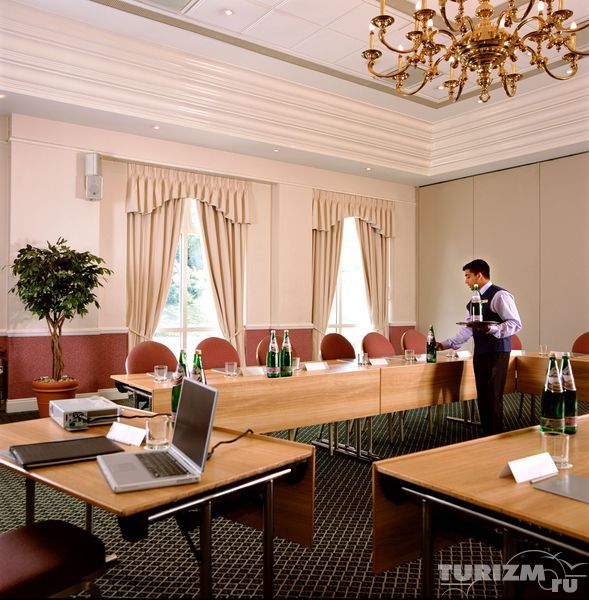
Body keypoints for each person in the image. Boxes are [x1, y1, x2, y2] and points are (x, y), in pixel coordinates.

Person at [437, 259, 522, 435]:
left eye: (468, 276)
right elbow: (467, 329)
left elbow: (515, 324)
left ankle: (495, 435)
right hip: (481, 352)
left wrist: (491, 329)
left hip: (497, 352)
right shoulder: (473, 301)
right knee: (483, 397)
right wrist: (444, 344)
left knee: (493, 397)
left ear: (479, 276)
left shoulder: (499, 295)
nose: (466, 281)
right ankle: (487, 435)